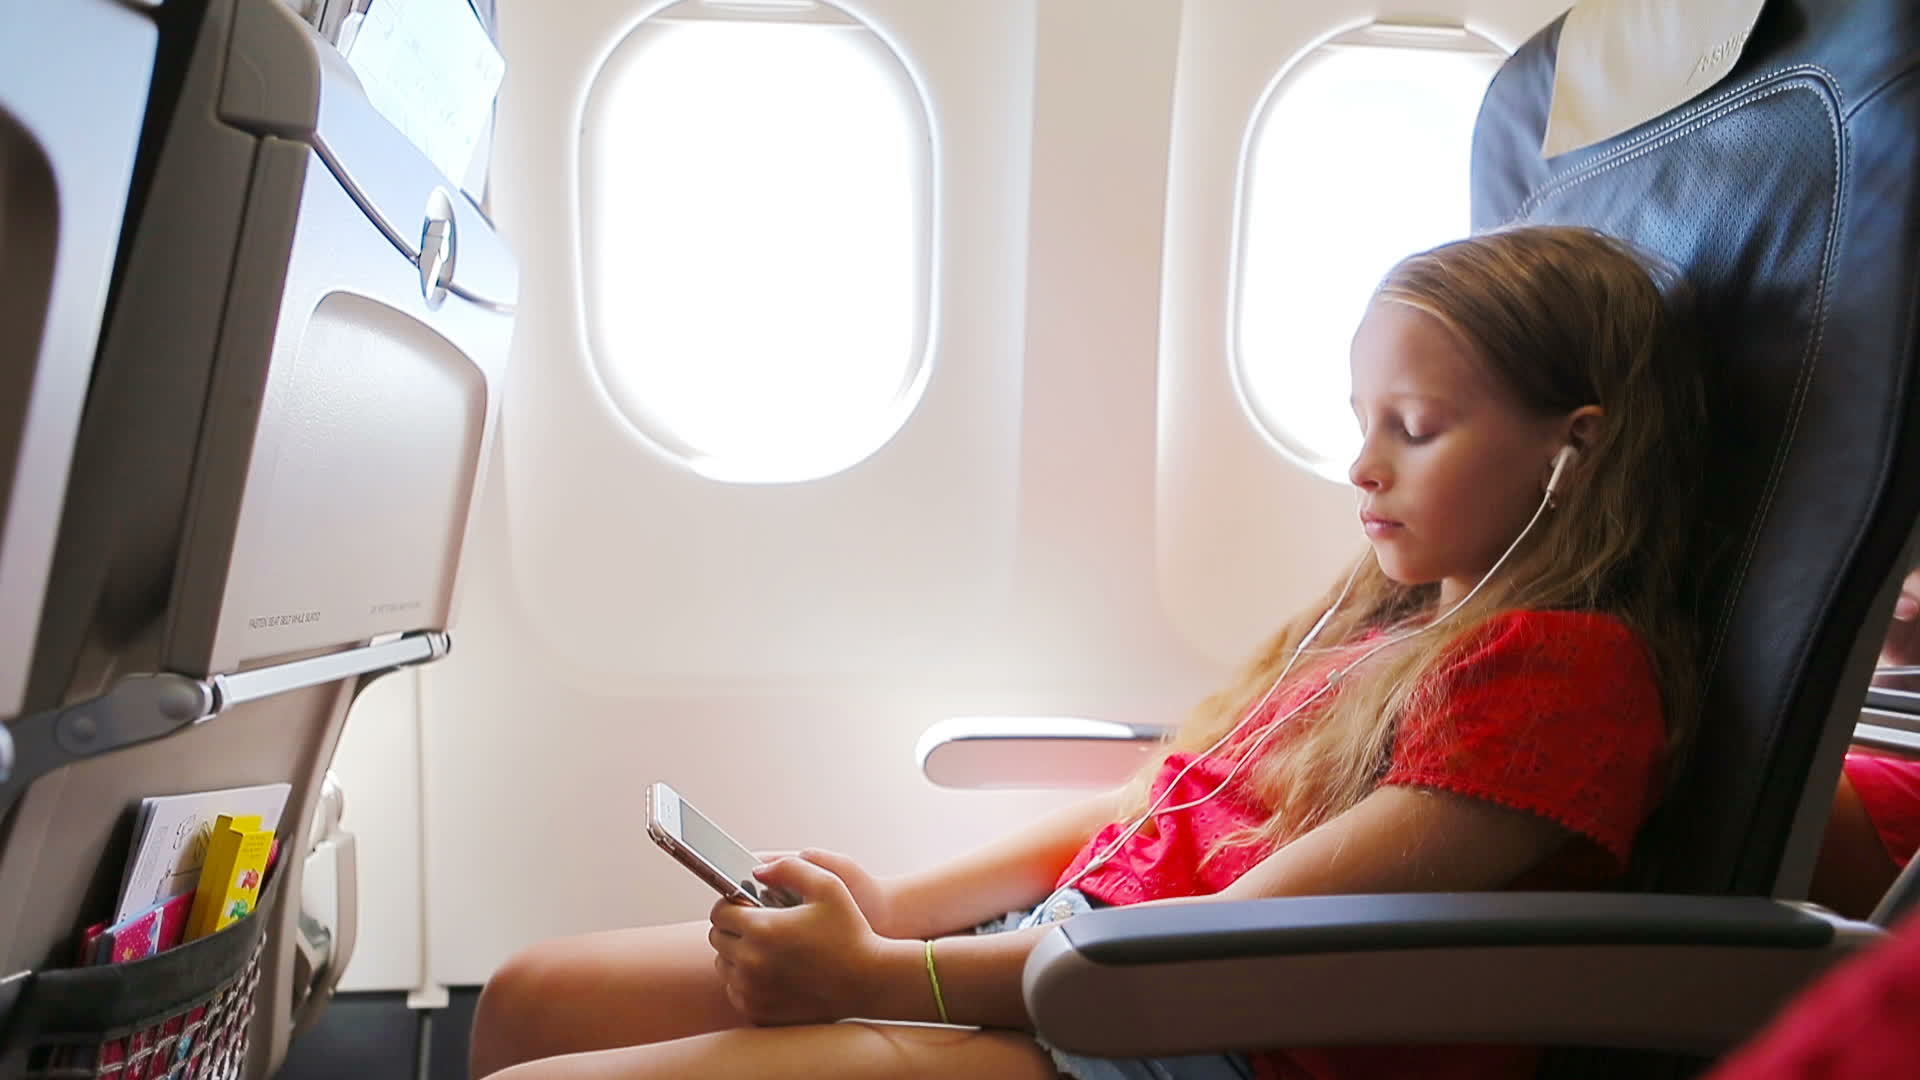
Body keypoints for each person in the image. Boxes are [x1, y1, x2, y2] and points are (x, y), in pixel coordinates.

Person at [466, 225, 1710, 1080]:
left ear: (1574, 450)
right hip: (1088, 958)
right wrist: (904, 911)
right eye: (1360, 421)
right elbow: (1158, 803)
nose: (1363, 464)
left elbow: (1219, 960)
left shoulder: (1562, 677)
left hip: (1178, 1039)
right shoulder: (1393, 625)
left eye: (1417, 427)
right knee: (528, 998)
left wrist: (884, 975)